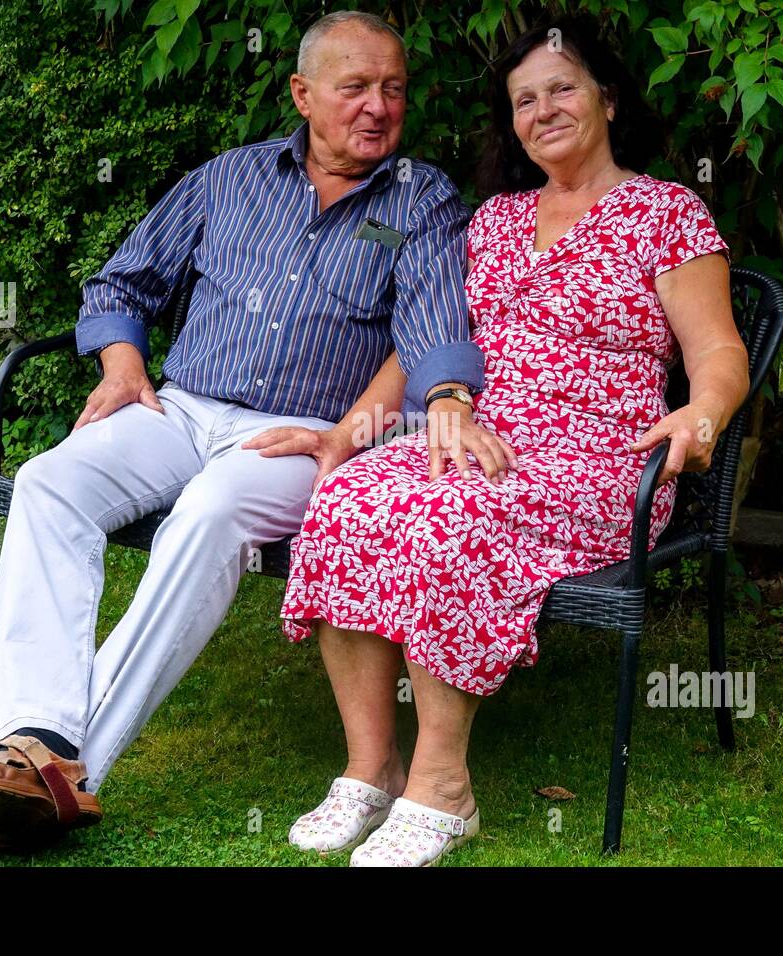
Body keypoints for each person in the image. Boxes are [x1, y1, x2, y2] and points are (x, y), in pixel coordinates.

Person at [0, 10, 503, 852]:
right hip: (182, 409)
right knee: (47, 482)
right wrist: (123, 365)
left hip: (302, 434)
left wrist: (429, 401)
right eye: (355, 87)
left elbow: (431, 327)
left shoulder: (419, 197)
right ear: (302, 94)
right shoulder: (229, 179)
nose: (378, 106)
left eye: (394, 89)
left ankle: (59, 768)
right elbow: (123, 281)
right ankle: (31, 734)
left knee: (210, 513)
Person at [275, 17, 751, 866]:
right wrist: (353, 430)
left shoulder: (665, 213)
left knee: (449, 517)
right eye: (524, 101)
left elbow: (717, 350)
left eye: (562, 89)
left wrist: (702, 412)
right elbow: (427, 341)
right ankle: (370, 767)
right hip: (481, 438)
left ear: (608, 99)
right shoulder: (494, 220)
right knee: (346, 497)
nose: (543, 111)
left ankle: (443, 787)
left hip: (602, 460)